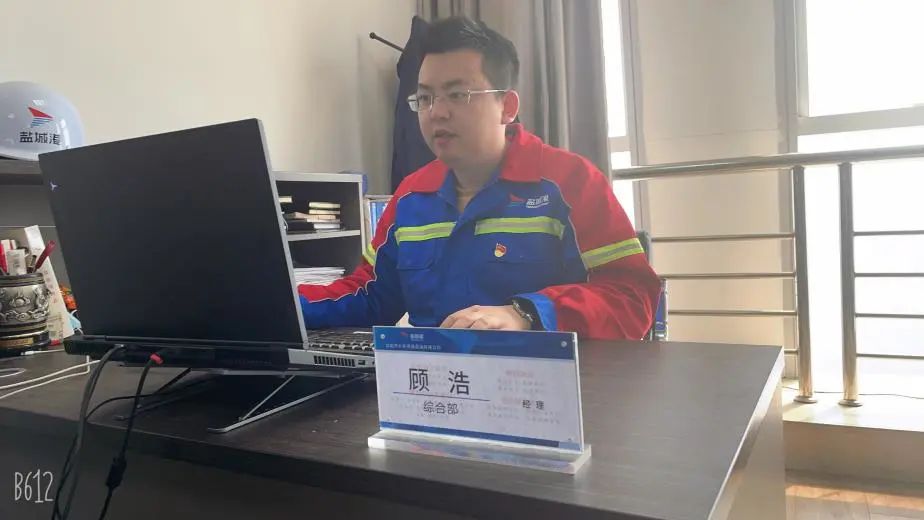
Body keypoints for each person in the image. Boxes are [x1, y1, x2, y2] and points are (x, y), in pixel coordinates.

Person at [299, 16, 660, 340]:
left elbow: (632, 297)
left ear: (508, 107)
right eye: (424, 98)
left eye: (458, 95)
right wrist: (283, 304)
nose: (437, 112)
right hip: (433, 383)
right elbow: (369, 294)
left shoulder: (570, 182)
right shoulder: (410, 196)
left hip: (541, 384)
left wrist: (525, 314)